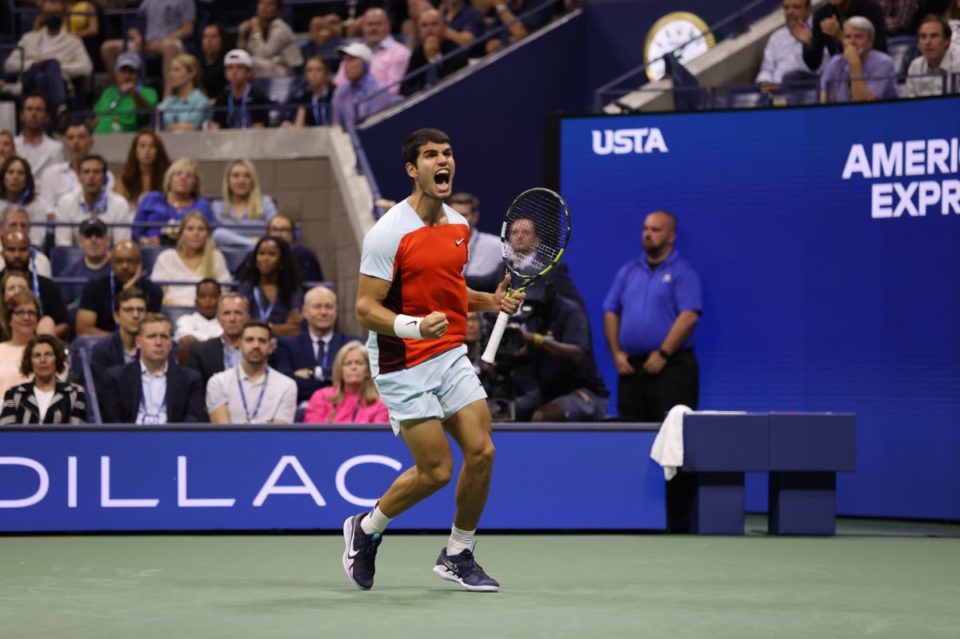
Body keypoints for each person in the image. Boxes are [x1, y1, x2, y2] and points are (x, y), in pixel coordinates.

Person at [346, 127, 522, 592]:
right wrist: (413, 326)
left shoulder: (458, 226)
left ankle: (458, 553)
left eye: (447, 153)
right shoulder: (387, 233)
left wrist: (491, 301)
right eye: (430, 155)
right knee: (437, 472)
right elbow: (365, 308)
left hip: (448, 353)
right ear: (412, 169)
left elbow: (449, 292)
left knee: (482, 452)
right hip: (401, 359)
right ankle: (365, 530)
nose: (442, 161)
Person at [603, 210, 702, 422]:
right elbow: (611, 311)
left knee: (672, 436)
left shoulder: (683, 272)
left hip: (671, 368)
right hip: (632, 369)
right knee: (629, 437)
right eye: (645, 229)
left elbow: (689, 315)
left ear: (671, 237)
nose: (648, 234)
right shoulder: (628, 271)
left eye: (655, 230)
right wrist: (616, 354)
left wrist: (664, 353)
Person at [510, 279, 609, 422]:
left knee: (542, 416)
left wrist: (537, 339)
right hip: (547, 392)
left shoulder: (571, 312)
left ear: (551, 289)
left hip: (583, 392)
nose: (535, 302)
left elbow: (577, 355)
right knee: (508, 413)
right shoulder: (531, 314)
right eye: (530, 298)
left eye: (538, 297)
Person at [100, 312, 206, 423]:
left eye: (164, 337)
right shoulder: (116, 378)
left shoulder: (190, 379)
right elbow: (112, 424)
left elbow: (193, 423)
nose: (158, 342)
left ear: (170, 343)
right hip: (129, 438)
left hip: (173, 438)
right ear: (138, 342)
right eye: (151, 337)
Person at [274, 285, 360, 403]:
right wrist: (334, 381)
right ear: (304, 311)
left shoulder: (352, 345)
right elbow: (286, 383)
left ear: (336, 311)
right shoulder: (287, 346)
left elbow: (358, 380)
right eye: (317, 307)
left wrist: (314, 372)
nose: (323, 312)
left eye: (329, 307)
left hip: (344, 409)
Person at [206, 320, 297, 423]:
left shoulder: (287, 385)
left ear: (271, 347)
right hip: (230, 439)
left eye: (262, 341)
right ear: (239, 344)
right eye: (250, 340)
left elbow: (278, 435)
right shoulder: (218, 382)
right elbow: (222, 433)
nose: (256, 346)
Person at [3, 0, 93, 100]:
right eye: (49, 14)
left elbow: (86, 67)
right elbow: (9, 64)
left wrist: (57, 67)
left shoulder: (73, 41)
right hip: (29, 83)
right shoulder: (29, 38)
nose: (53, 17)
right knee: (40, 74)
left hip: (60, 84)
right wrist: (34, 64)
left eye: (56, 14)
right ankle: (59, 108)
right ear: (42, 16)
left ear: (63, 15)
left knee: (47, 71)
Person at [76, 240, 163, 335]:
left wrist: (130, 291)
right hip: (103, 345)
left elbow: (152, 329)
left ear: (140, 264)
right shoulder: (94, 287)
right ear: (111, 264)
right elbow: (83, 329)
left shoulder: (153, 290)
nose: (124, 266)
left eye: (130, 261)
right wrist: (118, 342)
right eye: (119, 261)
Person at [0, 334, 86, 425]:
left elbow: (75, 433)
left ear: (57, 359)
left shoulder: (74, 393)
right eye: (37, 355)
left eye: (48, 354)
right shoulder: (14, 394)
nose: (43, 360)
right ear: (30, 361)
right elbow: (7, 433)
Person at [37, 119, 116, 214]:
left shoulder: (107, 176)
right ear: (65, 143)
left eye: (81, 137)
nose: (76, 142)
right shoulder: (50, 174)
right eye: (70, 138)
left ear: (91, 143)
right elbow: (46, 209)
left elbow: (108, 208)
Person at [150, 212, 229, 306]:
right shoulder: (166, 257)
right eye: (190, 229)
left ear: (207, 234)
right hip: (173, 309)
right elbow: (158, 293)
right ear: (181, 233)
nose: (196, 233)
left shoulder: (216, 257)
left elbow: (224, 290)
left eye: (201, 229)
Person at [100, 0, 195, 77]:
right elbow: (133, 28)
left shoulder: (185, 1)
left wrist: (161, 41)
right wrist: (137, 37)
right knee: (108, 47)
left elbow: (187, 29)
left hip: (169, 41)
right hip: (145, 42)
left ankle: (168, 95)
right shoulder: (147, 1)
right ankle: (119, 88)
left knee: (169, 46)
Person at [54, 153, 132, 247]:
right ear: (79, 177)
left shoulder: (120, 204)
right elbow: (63, 243)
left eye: (96, 172)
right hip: (76, 258)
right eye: (86, 172)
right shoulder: (65, 203)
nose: (91, 177)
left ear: (104, 178)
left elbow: (121, 244)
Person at [0, 231, 68, 337]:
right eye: (11, 250)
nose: (17, 255)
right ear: (3, 252)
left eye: (22, 250)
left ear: (30, 252)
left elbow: (63, 323)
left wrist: (41, 337)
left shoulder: (47, 286)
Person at [132, 158, 214, 245]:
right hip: (152, 249)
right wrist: (145, 241)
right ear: (169, 179)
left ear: (195, 183)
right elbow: (135, 232)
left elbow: (211, 233)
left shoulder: (202, 206)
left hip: (191, 252)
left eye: (189, 175)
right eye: (178, 174)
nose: (183, 178)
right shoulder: (151, 199)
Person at [303, 341, 388, 423]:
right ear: (340, 370)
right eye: (348, 363)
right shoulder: (321, 397)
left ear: (368, 371)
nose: (353, 367)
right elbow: (311, 434)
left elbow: (377, 437)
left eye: (359, 363)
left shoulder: (379, 406)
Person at [333, 8, 411, 95]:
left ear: (389, 25)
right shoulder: (353, 51)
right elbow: (339, 84)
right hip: (351, 104)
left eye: (378, 24)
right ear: (363, 27)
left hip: (385, 106)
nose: (373, 28)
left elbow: (392, 90)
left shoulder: (400, 52)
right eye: (369, 24)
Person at [236, 236, 303, 337]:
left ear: (282, 260)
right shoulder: (246, 288)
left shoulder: (293, 289)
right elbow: (239, 325)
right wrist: (276, 328)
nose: (265, 259)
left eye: (271, 254)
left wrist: (258, 328)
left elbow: (294, 330)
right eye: (261, 253)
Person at [820, 16, 899, 102]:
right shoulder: (835, 63)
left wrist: (854, 63)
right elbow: (824, 102)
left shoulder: (884, 63)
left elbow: (863, 107)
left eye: (858, 37)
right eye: (847, 37)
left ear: (870, 42)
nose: (852, 42)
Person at [756, 0, 825, 91]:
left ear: (808, 9)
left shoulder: (820, 31)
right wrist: (765, 82)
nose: (789, 12)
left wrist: (808, 44)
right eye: (786, 8)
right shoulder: (776, 37)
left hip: (808, 91)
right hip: (776, 93)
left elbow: (824, 69)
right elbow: (767, 70)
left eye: (796, 7)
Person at [186, 291, 250, 386]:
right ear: (218, 318)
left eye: (238, 313)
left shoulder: (260, 349)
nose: (232, 318)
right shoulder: (200, 351)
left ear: (247, 317)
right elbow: (195, 391)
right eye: (226, 313)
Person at [801, 0, 887, 71]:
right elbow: (814, 64)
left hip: (869, 76)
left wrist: (840, 36)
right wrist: (807, 43)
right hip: (839, 78)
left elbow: (878, 56)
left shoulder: (871, 9)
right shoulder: (822, 14)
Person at [233, 214, 324, 281]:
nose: (278, 234)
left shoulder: (305, 256)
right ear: (268, 233)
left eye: (284, 230)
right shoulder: (254, 255)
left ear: (293, 234)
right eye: (274, 229)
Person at [88, 286, 147, 389]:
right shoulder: (102, 350)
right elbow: (101, 390)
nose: (135, 315)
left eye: (140, 310)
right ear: (116, 317)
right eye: (128, 310)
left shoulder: (156, 347)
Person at [210, 159, 278, 249]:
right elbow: (215, 237)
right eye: (236, 176)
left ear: (253, 180)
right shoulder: (217, 206)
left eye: (247, 176)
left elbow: (277, 229)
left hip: (259, 256)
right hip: (227, 256)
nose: (241, 180)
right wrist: (253, 242)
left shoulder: (265, 202)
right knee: (218, 234)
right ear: (228, 181)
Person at [331, 43, 402, 127]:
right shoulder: (340, 92)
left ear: (365, 65)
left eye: (351, 60)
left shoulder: (378, 91)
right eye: (344, 60)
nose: (345, 65)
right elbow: (335, 125)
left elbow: (377, 125)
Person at [400, 9, 468, 96]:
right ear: (419, 30)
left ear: (443, 27)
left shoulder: (455, 50)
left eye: (434, 24)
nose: (429, 29)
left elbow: (450, 84)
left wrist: (433, 59)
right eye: (424, 25)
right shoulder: (418, 52)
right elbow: (405, 87)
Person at [93, 52, 159, 134]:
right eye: (123, 71)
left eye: (131, 71)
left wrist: (133, 93)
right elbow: (97, 117)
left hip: (127, 139)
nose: (127, 76)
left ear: (138, 74)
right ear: (116, 73)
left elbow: (146, 113)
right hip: (100, 138)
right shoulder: (108, 92)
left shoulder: (148, 92)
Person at [449, 192, 501, 292]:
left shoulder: (496, 246)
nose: (457, 220)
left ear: (475, 217)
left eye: (463, 215)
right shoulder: (438, 246)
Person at [209, 49, 272, 131]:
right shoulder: (222, 98)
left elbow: (260, 129)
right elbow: (215, 127)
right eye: (230, 68)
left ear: (248, 72)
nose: (234, 72)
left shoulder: (257, 97)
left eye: (239, 67)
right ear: (225, 73)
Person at [238, 0, 303, 78]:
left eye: (269, 4)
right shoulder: (258, 26)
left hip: (286, 71)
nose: (264, 7)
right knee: (239, 62)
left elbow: (262, 55)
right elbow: (246, 54)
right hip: (267, 68)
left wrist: (257, 32)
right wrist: (242, 36)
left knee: (248, 64)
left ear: (277, 10)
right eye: (261, 3)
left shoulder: (281, 29)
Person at [0, 155, 52, 248]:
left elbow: (37, 240)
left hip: (28, 252)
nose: (15, 177)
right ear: (3, 178)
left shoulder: (38, 205)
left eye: (20, 173)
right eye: (10, 172)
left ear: (27, 180)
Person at [902, 15, 960, 98]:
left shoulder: (958, 65)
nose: (928, 42)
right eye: (923, 37)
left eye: (934, 36)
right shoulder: (915, 66)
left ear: (947, 41)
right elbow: (909, 105)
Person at [59, 218, 112, 307]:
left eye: (98, 235)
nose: (93, 240)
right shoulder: (68, 275)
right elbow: (64, 310)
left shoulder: (117, 271)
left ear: (107, 241)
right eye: (88, 236)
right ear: (80, 243)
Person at [0, 291, 42, 399]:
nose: (26, 317)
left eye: (31, 312)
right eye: (20, 312)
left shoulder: (47, 351)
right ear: (9, 319)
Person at [114, 130, 172, 206]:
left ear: (158, 151)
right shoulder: (124, 178)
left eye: (152, 146)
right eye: (142, 146)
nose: (147, 151)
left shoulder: (169, 177)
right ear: (135, 151)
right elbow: (119, 207)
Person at [12, 94, 63, 178]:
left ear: (47, 117)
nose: (33, 114)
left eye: (38, 110)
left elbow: (57, 179)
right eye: (29, 109)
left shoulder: (56, 148)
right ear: (21, 115)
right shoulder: (12, 145)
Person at [158, 53, 211, 132]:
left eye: (176, 70)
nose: (171, 74)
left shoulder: (201, 101)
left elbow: (191, 128)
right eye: (170, 70)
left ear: (192, 73)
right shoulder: (169, 101)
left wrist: (170, 128)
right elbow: (158, 123)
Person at [0, 270, 56, 339]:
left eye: (22, 288)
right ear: (3, 295)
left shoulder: (43, 323)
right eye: (11, 288)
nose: (17, 292)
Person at [0, 206, 51, 276]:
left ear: (28, 230)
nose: (19, 230)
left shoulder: (41, 261)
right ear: (1, 229)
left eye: (23, 225)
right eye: (13, 225)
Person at [174, 278, 223, 351]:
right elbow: (184, 336)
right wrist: (214, 340)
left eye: (213, 296)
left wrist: (197, 338)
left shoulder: (226, 322)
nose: (208, 301)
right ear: (196, 301)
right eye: (203, 296)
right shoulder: (185, 320)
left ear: (220, 300)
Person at [285, 56, 335, 127]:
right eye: (309, 70)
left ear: (326, 73)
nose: (313, 74)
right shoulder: (305, 98)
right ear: (305, 75)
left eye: (318, 70)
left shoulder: (335, 95)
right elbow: (298, 127)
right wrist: (289, 127)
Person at [200, 24, 227, 100]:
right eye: (205, 37)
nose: (209, 40)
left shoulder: (227, 64)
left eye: (214, 37)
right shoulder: (197, 64)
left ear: (222, 40)